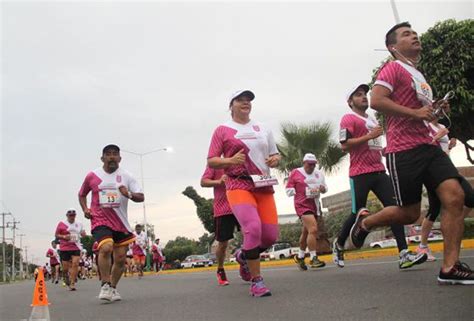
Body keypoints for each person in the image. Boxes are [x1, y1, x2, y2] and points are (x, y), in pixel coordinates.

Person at [350, 22, 473, 284]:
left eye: (414, 33)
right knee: (409, 213)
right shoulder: (392, 68)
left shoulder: (419, 75)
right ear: (393, 47)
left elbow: (422, 115)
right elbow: (377, 100)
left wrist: (436, 110)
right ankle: (365, 223)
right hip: (403, 150)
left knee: (455, 197)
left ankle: (450, 267)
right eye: (407, 34)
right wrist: (416, 112)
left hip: (429, 146)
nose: (414, 36)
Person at [334, 84, 426, 269]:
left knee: (394, 209)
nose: (364, 97)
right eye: (358, 95)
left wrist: (384, 150)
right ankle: (339, 244)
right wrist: (369, 136)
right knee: (357, 212)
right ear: (350, 101)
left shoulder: (372, 119)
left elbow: (374, 143)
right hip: (359, 173)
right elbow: (344, 145)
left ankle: (403, 254)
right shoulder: (348, 118)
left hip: (379, 170)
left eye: (365, 94)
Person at [207, 90, 280, 297]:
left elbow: (275, 154)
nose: (246, 103)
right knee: (252, 228)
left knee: (270, 236)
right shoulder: (222, 130)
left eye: (248, 100)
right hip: (238, 185)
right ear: (231, 105)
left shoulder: (263, 128)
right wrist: (230, 161)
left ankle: (243, 255)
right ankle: (257, 282)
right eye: (240, 100)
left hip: (263, 185)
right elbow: (212, 160)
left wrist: (275, 159)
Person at [78, 144, 145, 301]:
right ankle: (105, 285)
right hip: (100, 220)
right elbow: (82, 194)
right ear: (102, 158)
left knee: (121, 258)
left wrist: (127, 193)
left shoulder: (127, 176)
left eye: (115, 154)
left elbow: (141, 197)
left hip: (121, 222)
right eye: (108, 154)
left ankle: (113, 288)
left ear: (120, 158)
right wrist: (85, 209)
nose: (112, 156)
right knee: (106, 248)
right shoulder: (92, 176)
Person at [416, 120, 474, 261]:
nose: (441, 109)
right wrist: (437, 136)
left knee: (471, 198)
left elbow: (441, 151)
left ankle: (453, 225)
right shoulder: (424, 125)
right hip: (432, 171)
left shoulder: (442, 126)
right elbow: (422, 146)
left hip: (447, 168)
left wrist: (449, 145)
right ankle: (422, 246)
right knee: (434, 209)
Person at [286, 153, 327, 270]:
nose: (312, 167)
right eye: (309, 164)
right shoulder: (296, 172)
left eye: (314, 165)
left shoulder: (319, 174)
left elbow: (324, 188)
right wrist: (296, 191)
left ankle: (300, 257)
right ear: (304, 163)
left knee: (306, 232)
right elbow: (288, 189)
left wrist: (323, 189)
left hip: (314, 206)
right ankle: (313, 258)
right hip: (302, 205)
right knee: (313, 229)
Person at [201, 166, 239, 285]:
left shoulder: (240, 160)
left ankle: (245, 262)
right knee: (223, 243)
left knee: (251, 235)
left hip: (242, 204)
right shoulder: (215, 163)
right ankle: (220, 269)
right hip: (224, 209)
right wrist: (219, 181)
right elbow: (203, 182)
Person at [55, 208, 86, 291]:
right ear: (67, 216)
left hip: (76, 246)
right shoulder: (62, 224)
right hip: (64, 247)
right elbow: (57, 235)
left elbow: (83, 234)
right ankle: (65, 276)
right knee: (65, 268)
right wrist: (64, 237)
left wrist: (83, 234)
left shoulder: (79, 224)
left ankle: (72, 283)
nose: (72, 217)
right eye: (70, 216)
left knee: (75, 264)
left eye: (73, 215)